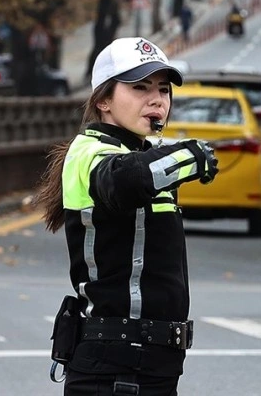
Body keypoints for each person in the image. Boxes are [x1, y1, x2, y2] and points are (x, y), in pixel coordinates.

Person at [34, 37, 219, 395]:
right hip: (115, 368)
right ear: (103, 99)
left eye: (164, 90)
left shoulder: (143, 153)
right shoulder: (88, 151)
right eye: (139, 87)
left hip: (153, 365)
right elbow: (123, 180)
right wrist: (189, 156)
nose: (156, 99)